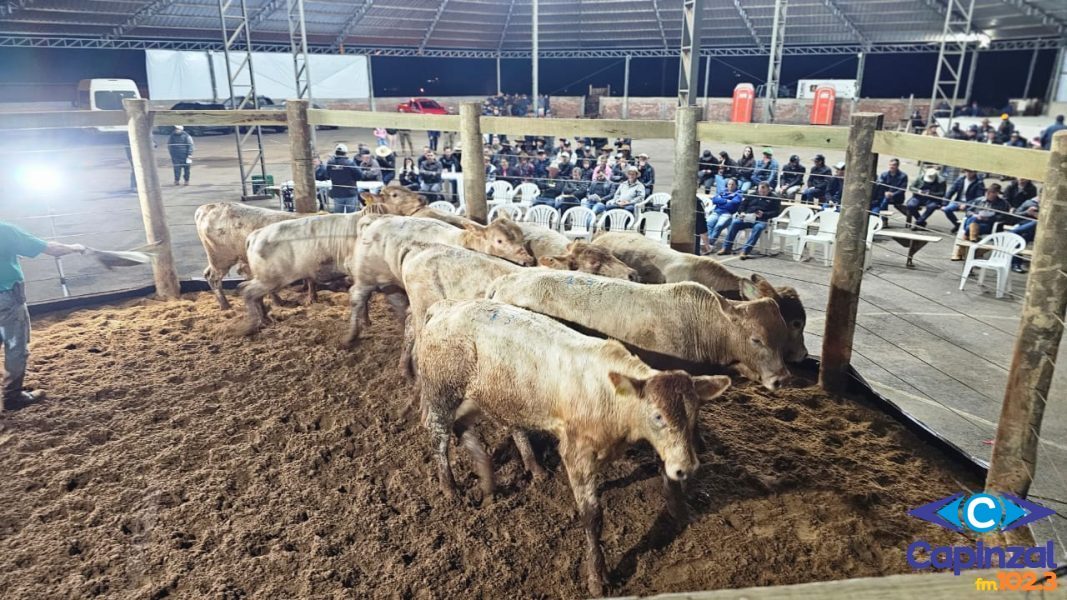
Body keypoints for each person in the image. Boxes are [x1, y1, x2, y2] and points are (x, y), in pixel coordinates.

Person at [1, 221, 87, 409]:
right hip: (5, 298)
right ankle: (12, 397)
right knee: (15, 346)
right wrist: (75, 247)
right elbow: (52, 248)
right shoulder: (4, 230)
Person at [717, 182, 780, 260]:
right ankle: (726, 248)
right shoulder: (752, 195)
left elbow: (776, 212)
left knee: (758, 228)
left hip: (761, 219)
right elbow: (742, 206)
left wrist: (764, 214)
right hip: (747, 218)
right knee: (735, 223)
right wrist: (742, 213)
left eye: (764, 192)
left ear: (768, 190)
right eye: (760, 191)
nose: (762, 193)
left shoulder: (774, 198)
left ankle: (745, 251)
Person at [952, 184, 1010, 261]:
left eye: (992, 192)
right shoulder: (979, 200)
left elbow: (1003, 217)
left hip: (987, 225)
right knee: (973, 220)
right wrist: (975, 215)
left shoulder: (1002, 203)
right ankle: (973, 241)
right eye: (988, 192)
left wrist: (988, 218)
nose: (989, 194)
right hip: (974, 221)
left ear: (997, 193)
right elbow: (968, 211)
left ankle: (960, 252)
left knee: (969, 227)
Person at [919, 168, 984, 232]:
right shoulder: (960, 179)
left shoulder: (979, 183)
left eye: (971, 172)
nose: (968, 173)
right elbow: (951, 191)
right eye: (967, 171)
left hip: (970, 203)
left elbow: (979, 198)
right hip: (958, 201)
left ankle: (965, 229)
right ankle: (957, 224)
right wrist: (944, 204)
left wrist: (967, 204)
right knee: (947, 209)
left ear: (975, 172)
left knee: (969, 214)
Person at [317, 144, 360, 213]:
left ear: (336, 152)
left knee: (338, 215)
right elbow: (360, 175)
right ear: (345, 153)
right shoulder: (350, 163)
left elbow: (326, 175)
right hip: (350, 192)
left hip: (337, 193)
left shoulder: (330, 163)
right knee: (351, 215)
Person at [706, 178, 743, 252]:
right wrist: (726, 200)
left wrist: (721, 201)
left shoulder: (739, 194)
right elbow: (714, 199)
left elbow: (734, 203)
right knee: (709, 223)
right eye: (729, 184)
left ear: (736, 185)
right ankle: (708, 242)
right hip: (717, 212)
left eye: (733, 184)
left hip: (727, 214)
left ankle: (710, 244)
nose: (731, 186)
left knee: (718, 226)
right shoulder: (723, 191)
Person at [1009, 198, 1039, 273]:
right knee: (1020, 239)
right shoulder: (1029, 202)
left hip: (1036, 230)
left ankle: (1013, 232)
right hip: (1025, 228)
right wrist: (1027, 212)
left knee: (1036, 222)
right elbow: (1016, 214)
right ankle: (1015, 264)